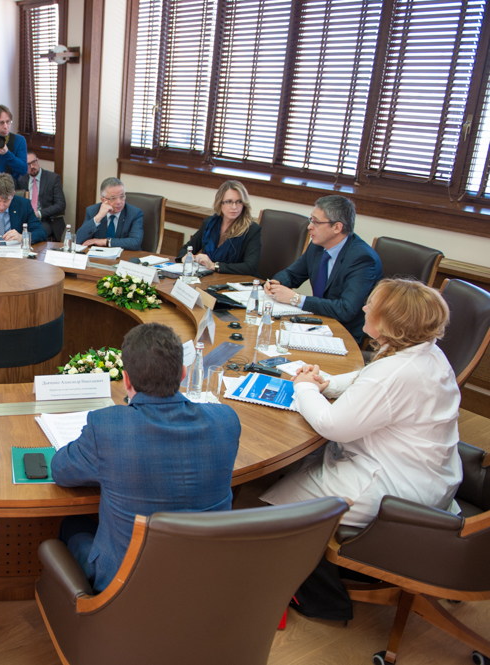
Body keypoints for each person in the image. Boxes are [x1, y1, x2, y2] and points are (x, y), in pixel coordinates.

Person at [260, 279, 461, 620]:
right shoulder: (426, 353)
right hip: (428, 475)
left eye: (372, 305)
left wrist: (306, 388)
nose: (365, 308)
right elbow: (366, 378)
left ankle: (323, 599)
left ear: (391, 322)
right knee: (301, 465)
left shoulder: (396, 372)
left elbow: (332, 425)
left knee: (272, 510)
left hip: (392, 489)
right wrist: (327, 383)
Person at [51, 322, 240, 593]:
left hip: (123, 588)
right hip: (207, 579)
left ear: (126, 380)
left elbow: (60, 470)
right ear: (183, 373)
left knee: (72, 525)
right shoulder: (226, 421)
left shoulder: (107, 427)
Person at [263, 195, 382, 343]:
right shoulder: (318, 245)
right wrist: (276, 283)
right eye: (311, 220)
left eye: (316, 222)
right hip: (316, 322)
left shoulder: (362, 259)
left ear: (337, 227)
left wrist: (296, 299)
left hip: (344, 334)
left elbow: (346, 309)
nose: (309, 226)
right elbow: (292, 274)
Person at [176, 180, 262, 275]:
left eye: (239, 202)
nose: (234, 207)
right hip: (210, 277)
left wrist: (214, 266)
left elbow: (250, 266)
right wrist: (186, 257)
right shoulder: (209, 223)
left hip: (236, 280)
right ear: (220, 203)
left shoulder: (251, 229)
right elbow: (187, 248)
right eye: (229, 202)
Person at [75, 177, 144, 250]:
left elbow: (135, 242)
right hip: (99, 255)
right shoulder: (93, 211)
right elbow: (78, 239)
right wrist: (98, 217)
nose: (119, 202)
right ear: (103, 199)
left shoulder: (135, 213)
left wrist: (106, 242)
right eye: (113, 198)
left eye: (122, 197)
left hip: (125, 255)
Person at [17, 151, 65, 241]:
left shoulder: (53, 178)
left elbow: (61, 205)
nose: (32, 167)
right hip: (26, 220)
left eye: (34, 162)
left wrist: (39, 214)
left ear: (38, 160)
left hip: (46, 220)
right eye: (28, 165)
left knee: (35, 234)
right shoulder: (21, 180)